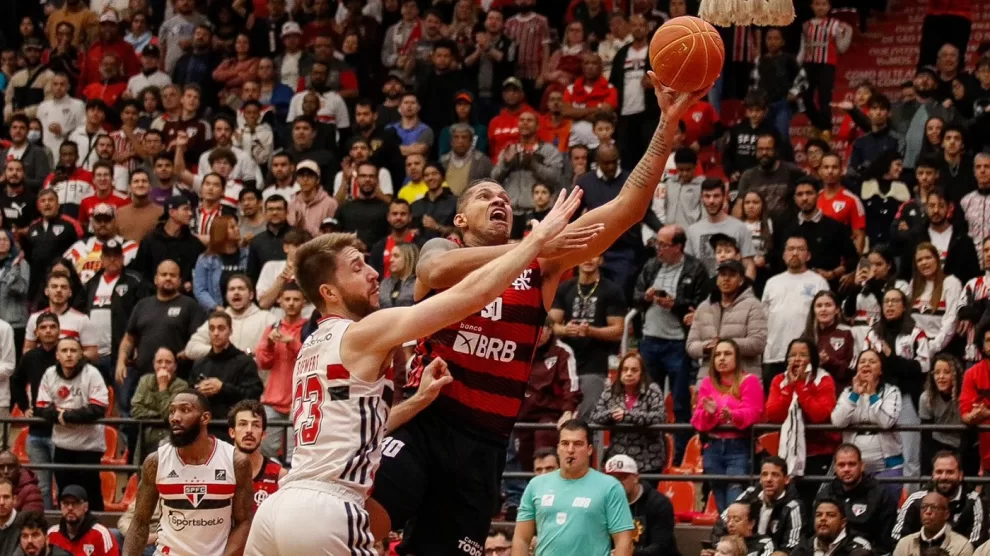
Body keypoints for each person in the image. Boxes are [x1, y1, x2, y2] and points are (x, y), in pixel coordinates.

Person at [371, 81, 702, 555]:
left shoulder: (540, 265)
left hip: (484, 444)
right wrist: (532, 243)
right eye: (485, 195)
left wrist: (665, 129)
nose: (499, 199)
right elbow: (433, 269)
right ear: (460, 219)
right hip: (426, 420)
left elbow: (626, 209)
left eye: (504, 196)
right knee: (361, 526)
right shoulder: (445, 247)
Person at [245, 186, 588, 555]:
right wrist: (534, 241)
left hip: (279, 505)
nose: (375, 273)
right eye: (358, 267)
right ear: (329, 292)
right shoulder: (364, 333)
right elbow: (465, 298)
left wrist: (420, 399)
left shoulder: (310, 347)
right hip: (328, 507)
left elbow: (355, 424)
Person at [122, 390, 254, 556]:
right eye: (172, 411)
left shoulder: (235, 462)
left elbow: (244, 522)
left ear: (205, 418)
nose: (175, 417)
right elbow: (140, 522)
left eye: (185, 410)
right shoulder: (155, 462)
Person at [511, 420, 634, 556]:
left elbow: (624, 541)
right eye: (565, 444)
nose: (570, 450)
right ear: (558, 448)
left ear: (589, 450)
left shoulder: (610, 487)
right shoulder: (536, 485)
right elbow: (521, 539)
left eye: (578, 444)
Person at [633, 224, 709, 437]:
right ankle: (650, 447)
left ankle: (680, 454)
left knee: (680, 402)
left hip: (678, 343)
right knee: (647, 400)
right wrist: (646, 298)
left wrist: (675, 304)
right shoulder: (650, 266)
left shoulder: (695, 269)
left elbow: (701, 304)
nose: (659, 249)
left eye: (664, 245)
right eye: (657, 243)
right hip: (650, 339)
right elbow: (635, 295)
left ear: (678, 247)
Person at [116, 261, 206, 415]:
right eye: (164, 274)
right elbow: (129, 337)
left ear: (180, 280)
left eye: (173, 275)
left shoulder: (190, 305)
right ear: (156, 279)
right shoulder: (142, 305)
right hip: (143, 379)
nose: (168, 278)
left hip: (178, 380)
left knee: (174, 416)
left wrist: (186, 352)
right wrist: (120, 362)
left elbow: (200, 337)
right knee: (134, 417)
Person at [35, 336, 108, 512]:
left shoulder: (92, 374)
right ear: (57, 355)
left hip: (89, 446)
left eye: (73, 350)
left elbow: (98, 408)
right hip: (62, 444)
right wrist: (60, 415)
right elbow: (40, 407)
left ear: (81, 354)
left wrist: (65, 415)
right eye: (64, 351)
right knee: (65, 493)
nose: (69, 355)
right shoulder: (50, 374)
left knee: (90, 494)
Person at [691, 338, 764, 511]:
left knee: (735, 504)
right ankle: (727, 536)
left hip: (739, 447)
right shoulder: (708, 383)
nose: (721, 358)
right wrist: (711, 413)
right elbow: (697, 420)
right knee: (721, 506)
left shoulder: (749, 381)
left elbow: (754, 412)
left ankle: (734, 536)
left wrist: (732, 414)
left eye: (727, 354)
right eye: (717, 355)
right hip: (713, 448)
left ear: (737, 358)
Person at [765, 339, 839, 506]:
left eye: (803, 354)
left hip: (819, 454)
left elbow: (819, 415)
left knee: (813, 504)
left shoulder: (824, 380)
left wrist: (800, 386)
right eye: (793, 355)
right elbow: (774, 414)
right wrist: (790, 387)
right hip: (786, 456)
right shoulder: (779, 380)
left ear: (812, 358)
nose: (797, 359)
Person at [549, 255, 626, 417]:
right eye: (586, 255)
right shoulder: (564, 288)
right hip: (564, 364)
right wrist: (565, 330)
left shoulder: (612, 290)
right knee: (559, 414)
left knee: (588, 416)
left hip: (594, 364)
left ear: (601, 260)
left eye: (594, 255)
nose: (588, 259)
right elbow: (551, 325)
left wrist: (590, 331)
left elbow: (618, 331)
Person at [761, 236, 829, 386]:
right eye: (790, 249)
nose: (795, 253)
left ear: (808, 255)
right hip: (774, 354)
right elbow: (763, 320)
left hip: (806, 355)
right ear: (784, 255)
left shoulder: (818, 282)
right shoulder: (772, 283)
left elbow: (825, 320)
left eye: (800, 249)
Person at [686, 259, 768, 379]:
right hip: (709, 380)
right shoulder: (704, 307)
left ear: (741, 281)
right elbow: (690, 346)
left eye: (732, 275)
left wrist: (725, 345)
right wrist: (706, 347)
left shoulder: (754, 305)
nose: (726, 279)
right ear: (717, 280)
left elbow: (758, 343)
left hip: (742, 380)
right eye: (723, 275)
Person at [189, 311, 263, 439]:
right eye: (212, 328)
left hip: (232, 430)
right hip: (204, 430)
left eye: (221, 328)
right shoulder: (200, 363)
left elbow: (253, 395)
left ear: (230, 331)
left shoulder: (244, 362)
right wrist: (199, 392)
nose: (216, 333)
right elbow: (189, 395)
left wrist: (222, 388)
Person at [589, 353, 665, 475]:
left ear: (642, 373)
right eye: (625, 370)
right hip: (618, 459)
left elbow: (658, 417)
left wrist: (627, 416)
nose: (629, 373)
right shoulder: (611, 391)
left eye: (634, 370)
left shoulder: (652, 390)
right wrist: (611, 414)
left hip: (647, 460)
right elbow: (595, 416)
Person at [816, 443, 898, 554]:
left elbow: (885, 543)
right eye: (841, 465)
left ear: (862, 465)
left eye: (851, 464)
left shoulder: (880, 495)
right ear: (835, 468)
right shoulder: (825, 494)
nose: (846, 469)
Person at [254, 283, 306, 459]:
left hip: (300, 400)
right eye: (287, 299)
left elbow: (310, 359)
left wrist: (291, 342)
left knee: (295, 454)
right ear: (280, 302)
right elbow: (262, 362)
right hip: (272, 400)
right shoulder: (272, 328)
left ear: (304, 302)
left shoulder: (308, 329)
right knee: (267, 449)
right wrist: (269, 343)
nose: (291, 303)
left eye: (296, 299)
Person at [711, 456, 804, 553]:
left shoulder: (793, 506)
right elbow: (720, 527)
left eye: (775, 475)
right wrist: (721, 550)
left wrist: (782, 553)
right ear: (760, 478)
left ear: (786, 479)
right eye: (764, 474)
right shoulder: (750, 494)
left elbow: (793, 547)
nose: (768, 479)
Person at [894, 451, 985, 547]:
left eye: (950, 472)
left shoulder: (974, 502)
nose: (944, 477)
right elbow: (897, 540)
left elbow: (976, 545)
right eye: (939, 472)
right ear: (932, 475)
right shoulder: (915, 501)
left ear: (960, 475)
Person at [601, 454, 676, 556]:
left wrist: (630, 553)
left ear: (636, 478)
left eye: (622, 478)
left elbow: (661, 547)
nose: (617, 483)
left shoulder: (658, 503)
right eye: (612, 479)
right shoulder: (604, 504)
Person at [129, 347, 189, 461]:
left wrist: (163, 387)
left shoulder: (181, 386)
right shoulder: (145, 381)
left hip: (171, 438)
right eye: (159, 362)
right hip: (146, 438)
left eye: (168, 362)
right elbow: (135, 410)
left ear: (175, 366)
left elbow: (169, 415)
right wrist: (157, 415)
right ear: (154, 365)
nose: (163, 366)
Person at [227, 400, 286, 511]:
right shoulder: (219, 468)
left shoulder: (279, 475)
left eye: (256, 425)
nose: (249, 430)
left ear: (263, 435)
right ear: (232, 432)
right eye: (243, 424)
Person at [193, 215, 249, 312]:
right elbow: (200, 290)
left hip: (246, 311)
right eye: (232, 227)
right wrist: (216, 308)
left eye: (237, 226)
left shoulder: (247, 254)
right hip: (218, 313)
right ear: (221, 232)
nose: (237, 229)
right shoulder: (205, 260)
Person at [804, 289, 855, 392]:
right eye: (819, 306)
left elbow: (852, 370)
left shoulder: (847, 333)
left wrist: (829, 361)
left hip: (839, 393)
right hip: (812, 393)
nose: (823, 309)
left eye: (828, 305)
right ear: (813, 310)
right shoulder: (806, 336)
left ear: (837, 310)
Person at [893, 492, 974, 556]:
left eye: (934, 507)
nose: (928, 512)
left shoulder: (962, 546)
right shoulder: (905, 544)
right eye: (924, 507)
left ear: (946, 514)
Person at [47, 485, 119, 556]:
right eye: (66, 503)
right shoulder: (52, 534)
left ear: (86, 507)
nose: (70, 507)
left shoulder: (101, 534)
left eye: (76, 503)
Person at [789, 498, 873, 556]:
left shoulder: (858, 548)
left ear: (843, 523)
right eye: (819, 515)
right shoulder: (803, 548)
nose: (823, 519)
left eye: (830, 515)